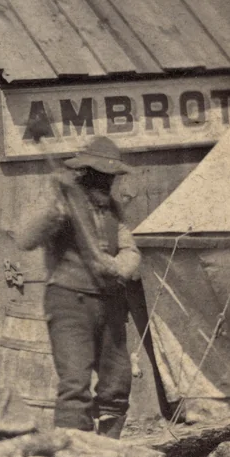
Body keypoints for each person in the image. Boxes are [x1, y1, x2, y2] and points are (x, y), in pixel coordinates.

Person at [16, 136, 141, 439]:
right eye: (99, 175)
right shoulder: (63, 204)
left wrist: (118, 266)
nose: (105, 182)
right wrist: (53, 211)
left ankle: (108, 452)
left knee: (117, 383)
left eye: (109, 177)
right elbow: (26, 239)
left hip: (110, 303)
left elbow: (130, 250)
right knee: (75, 383)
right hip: (69, 301)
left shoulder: (113, 209)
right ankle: (74, 456)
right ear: (84, 173)